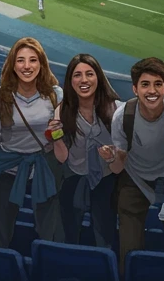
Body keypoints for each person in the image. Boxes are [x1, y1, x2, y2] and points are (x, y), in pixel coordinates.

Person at [0, 37, 66, 247]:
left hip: (43, 168)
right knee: (1, 227)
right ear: (13, 64)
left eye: (33, 60)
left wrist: (57, 132)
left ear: (41, 64)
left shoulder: (55, 94)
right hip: (9, 167)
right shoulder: (0, 96)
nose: (27, 66)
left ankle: (48, 265)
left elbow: (59, 135)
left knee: (49, 229)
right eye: (21, 60)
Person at [104, 58, 164, 268]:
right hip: (135, 180)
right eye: (145, 84)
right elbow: (118, 166)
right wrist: (112, 159)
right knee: (129, 251)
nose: (152, 90)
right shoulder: (123, 116)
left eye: (158, 84)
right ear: (135, 88)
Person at [53, 54, 121, 247]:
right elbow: (62, 157)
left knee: (105, 233)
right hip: (75, 178)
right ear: (70, 80)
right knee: (69, 233)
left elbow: (121, 161)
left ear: (98, 77)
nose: (84, 80)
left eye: (89, 74)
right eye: (77, 75)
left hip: (106, 179)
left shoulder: (116, 109)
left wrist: (113, 156)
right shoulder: (61, 111)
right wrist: (56, 138)